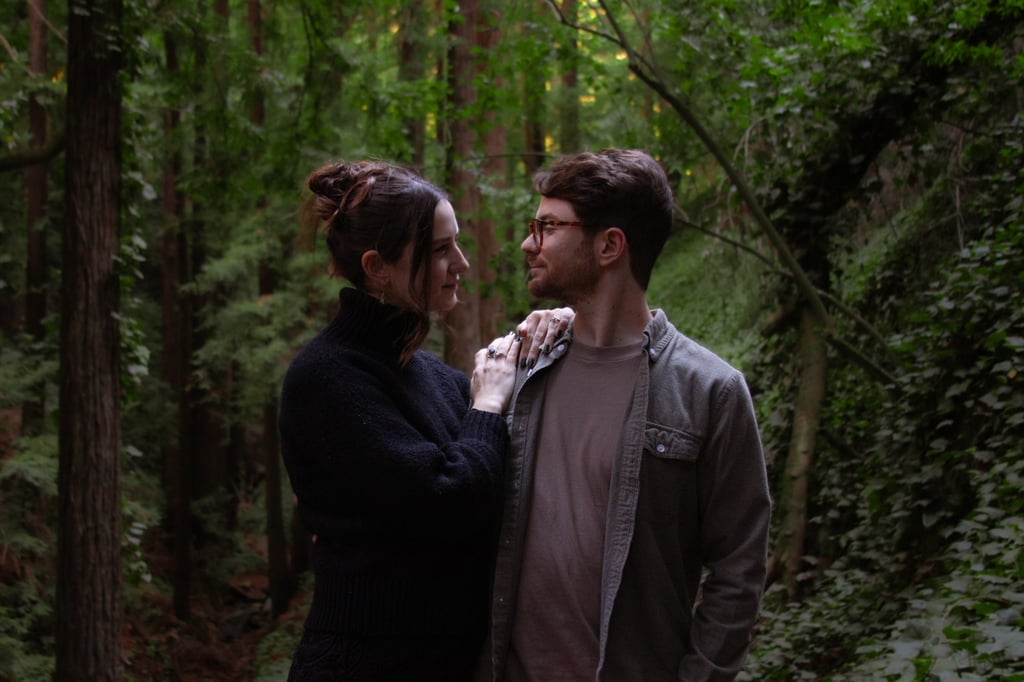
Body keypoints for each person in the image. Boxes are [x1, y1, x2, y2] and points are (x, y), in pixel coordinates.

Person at [481, 149, 772, 681]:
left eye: (548, 226)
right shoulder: (518, 368)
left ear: (610, 245)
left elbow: (740, 568)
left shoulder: (710, 391)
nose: (529, 243)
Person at [279, 160, 568, 681]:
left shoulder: (429, 375)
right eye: (439, 250)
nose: (461, 262)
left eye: (456, 244)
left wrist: (560, 326)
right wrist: (487, 404)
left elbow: (504, 470)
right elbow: (451, 500)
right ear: (377, 267)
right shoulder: (325, 378)